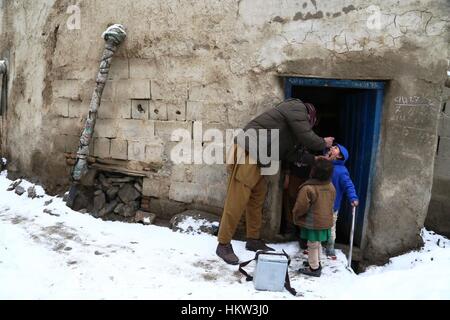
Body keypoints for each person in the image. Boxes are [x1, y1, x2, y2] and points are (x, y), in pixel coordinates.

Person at [216, 99, 334, 265]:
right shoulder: (297, 108)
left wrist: (315, 159)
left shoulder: (293, 132)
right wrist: (323, 143)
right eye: (310, 125)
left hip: (259, 157)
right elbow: (308, 137)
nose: (309, 128)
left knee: (257, 198)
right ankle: (223, 244)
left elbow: (293, 154)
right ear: (310, 117)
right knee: (237, 199)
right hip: (249, 150)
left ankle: (253, 239)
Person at [293, 158, 336, 277]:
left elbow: (301, 206)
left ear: (314, 171)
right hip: (325, 221)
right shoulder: (330, 186)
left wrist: (296, 215)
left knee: (312, 244)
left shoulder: (308, 188)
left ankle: (314, 268)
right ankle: (317, 262)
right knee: (317, 243)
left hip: (313, 222)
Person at [325, 144, 359, 259]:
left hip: (332, 205)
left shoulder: (341, 171)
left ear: (339, 156)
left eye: (335, 148)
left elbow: (348, 185)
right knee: (316, 225)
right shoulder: (324, 164)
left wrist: (353, 198)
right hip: (319, 203)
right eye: (333, 146)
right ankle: (314, 246)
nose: (332, 148)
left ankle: (330, 248)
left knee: (330, 227)